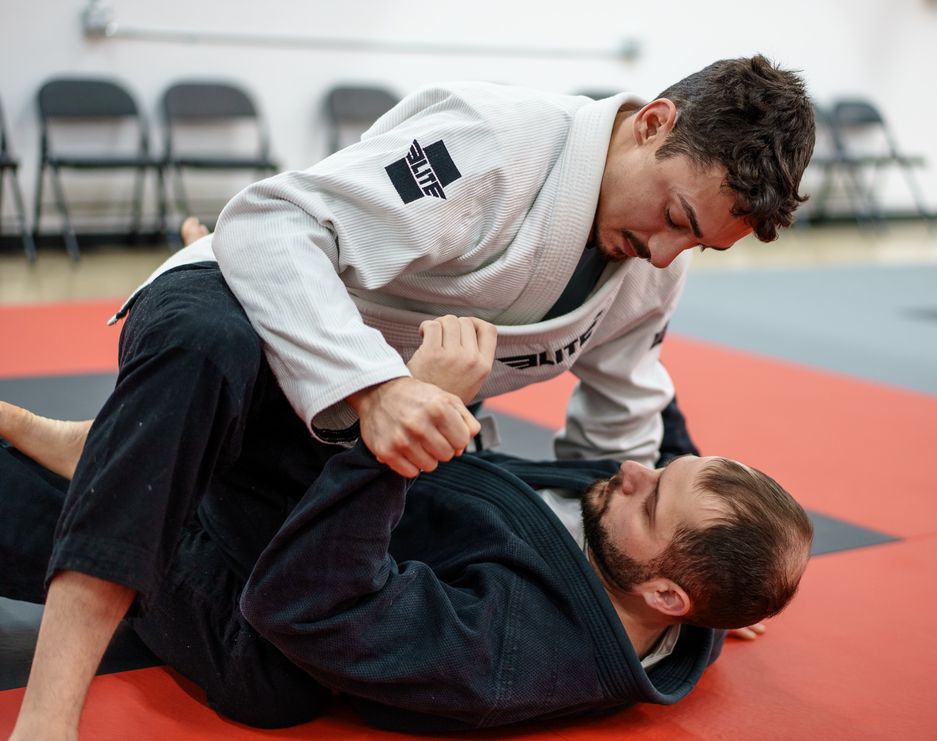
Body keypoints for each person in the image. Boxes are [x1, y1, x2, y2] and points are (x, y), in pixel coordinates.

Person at [9, 55, 815, 740]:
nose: (668, 252)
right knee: (209, 342)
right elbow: (272, 221)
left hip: (335, 421)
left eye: (696, 242)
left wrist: (702, 584)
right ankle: (50, 707)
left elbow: (626, 411)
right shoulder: (493, 144)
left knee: (271, 673)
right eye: (674, 215)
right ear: (654, 122)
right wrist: (378, 386)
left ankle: (133, 453)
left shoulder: (652, 268)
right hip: (250, 313)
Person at [0, 369, 812, 731]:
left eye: (654, 494)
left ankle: (128, 467)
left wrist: (405, 427)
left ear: (666, 592)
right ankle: (141, 442)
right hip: (358, 511)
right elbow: (675, 482)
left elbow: (308, 605)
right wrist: (718, 616)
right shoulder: (675, 601)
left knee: (269, 682)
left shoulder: (512, 655)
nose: (632, 469)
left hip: (280, 596)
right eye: (664, 469)